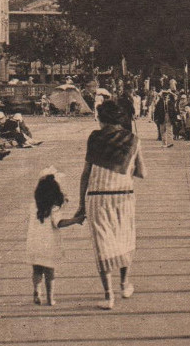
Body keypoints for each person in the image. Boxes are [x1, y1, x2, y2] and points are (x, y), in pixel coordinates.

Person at [73, 100, 146, 310]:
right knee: (125, 240)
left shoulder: (94, 138)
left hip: (97, 197)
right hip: (124, 196)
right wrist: (124, 167)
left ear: (102, 119)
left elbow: (86, 173)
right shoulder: (133, 140)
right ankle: (124, 284)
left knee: (102, 245)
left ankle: (108, 296)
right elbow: (143, 173)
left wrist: (81, 205)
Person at [27, 168, 81, 306]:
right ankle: (50, 298)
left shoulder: (34, 205)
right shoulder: (54, 207)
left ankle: (37, 292)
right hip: (48, 244)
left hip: (34, 243)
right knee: (49, 272)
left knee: (37, 270)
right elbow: (59, 223)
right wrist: (75, 220)